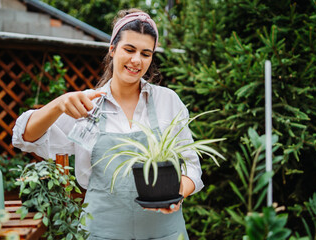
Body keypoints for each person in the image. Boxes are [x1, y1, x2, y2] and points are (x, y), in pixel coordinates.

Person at [12, 8, 203, 240]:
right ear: (112, 50)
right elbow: (25, 137)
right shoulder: (87, 105)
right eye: (129, 49)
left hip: (166, 232)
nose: (136, 60)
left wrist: (177, 194)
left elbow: (192, 166)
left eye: (146, 53)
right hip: (101, 233)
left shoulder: (168, 102)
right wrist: (59, 104)